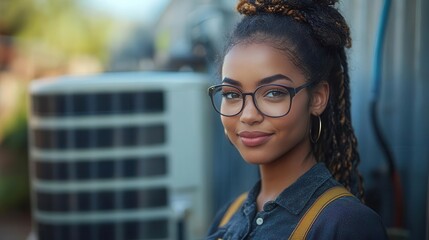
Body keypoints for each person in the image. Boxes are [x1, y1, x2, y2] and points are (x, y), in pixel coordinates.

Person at [206, 0, 388, 239]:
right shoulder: (228, 216)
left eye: (273, 93)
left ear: (317, 98)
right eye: (232, 94)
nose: (248, 115)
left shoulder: (346, 225)